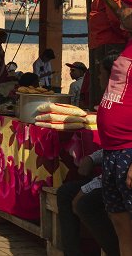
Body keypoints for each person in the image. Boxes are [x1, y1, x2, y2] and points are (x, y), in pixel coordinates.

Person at [57, 52, 121, 256]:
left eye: (101, 74)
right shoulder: (110, 102)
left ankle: (117, 249)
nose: (99, 79)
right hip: (113, 168)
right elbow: (113, 145)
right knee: (66, 193)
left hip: (121, 173)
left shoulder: (122, 105)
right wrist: (92, 158)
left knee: (83, 203)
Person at [97, 0, 132, 256]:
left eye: (127, 6)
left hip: (128, 152)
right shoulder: (127, 44)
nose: (121, 9)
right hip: (112, 151)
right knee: (119, 220)